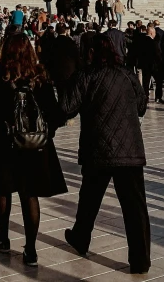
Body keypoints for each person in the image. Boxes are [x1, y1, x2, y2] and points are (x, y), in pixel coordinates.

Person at [60, 33, 150, 275]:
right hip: (129, 151)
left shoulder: (86, 75)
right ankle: (140, 260)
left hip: (97, 150)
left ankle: (80, 238)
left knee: (89, 199)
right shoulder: (127, 74)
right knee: (135, 208)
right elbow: (142, 106)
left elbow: (66, 108)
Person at [0, 32, 67, 267]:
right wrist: (44, 134)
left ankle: (2, 236)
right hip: (34, 146)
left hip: (4, 142)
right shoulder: (39, 77)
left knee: (3, 190)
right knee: (29, 195)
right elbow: (56, 114)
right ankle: (30, 250)